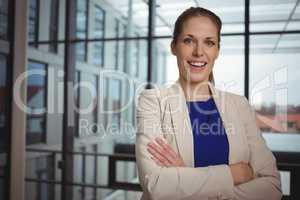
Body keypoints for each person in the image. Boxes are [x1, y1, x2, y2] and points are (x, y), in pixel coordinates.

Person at [135, 7, 282, 200]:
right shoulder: (152, 101)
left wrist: (185, 176)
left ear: (217, 50)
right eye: (189, 41)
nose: (198, 52)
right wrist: (233, 174)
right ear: (174, 47)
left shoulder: (239, 105)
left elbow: (271, 187)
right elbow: (157, 186)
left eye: (209, 42)